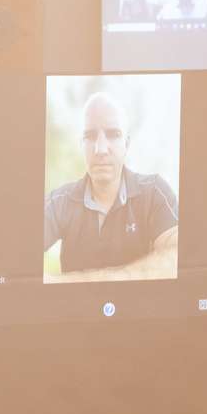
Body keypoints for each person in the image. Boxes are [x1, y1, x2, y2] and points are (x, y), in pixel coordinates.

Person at [43, 92, 178, 276]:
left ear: (127, 144)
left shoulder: (154, 192)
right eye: (90, 136)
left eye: (113, 134)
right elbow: (18, 252)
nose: (100, 149)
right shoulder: (59, 202)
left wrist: (100, 280)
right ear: (81, 144)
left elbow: (175, 256)